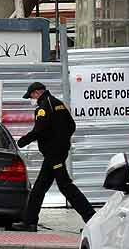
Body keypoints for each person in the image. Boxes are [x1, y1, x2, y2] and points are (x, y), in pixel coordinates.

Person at [11, 81, 95, 230]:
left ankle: (93, 220)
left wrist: (22, 141)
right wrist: (62, 142)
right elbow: (71, 126)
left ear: (37, 92)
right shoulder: (58, 103)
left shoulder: (44, 107)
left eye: (31, 96)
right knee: (39, 188)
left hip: (53, 154)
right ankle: (29, 222)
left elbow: (39, 130)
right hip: (56, 153)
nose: (32, 99)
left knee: (66, 186)